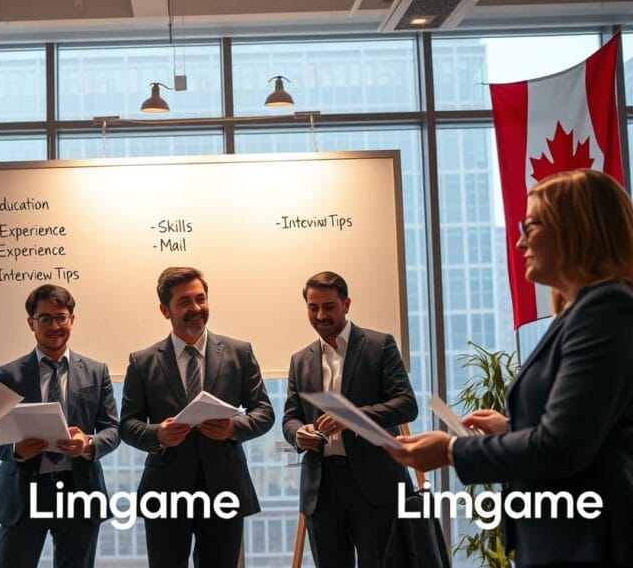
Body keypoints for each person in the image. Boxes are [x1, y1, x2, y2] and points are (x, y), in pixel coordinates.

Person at [387, 169, 633, 568]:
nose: (520, 242)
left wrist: (451, 450)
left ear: (576, 228)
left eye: (530, 226)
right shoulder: (582, 312)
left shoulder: (604, 312)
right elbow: (587, 428)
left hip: (589, 543)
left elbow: (561, 448)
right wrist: (511, 428)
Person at [120, 266, 274, 568]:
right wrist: (157, 434)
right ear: (165, 310)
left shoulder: (239, 352)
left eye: (200, 298)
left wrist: (233, 428)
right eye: (184, 302)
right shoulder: (142, 362)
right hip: (165, 490)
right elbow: (127, 425)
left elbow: (264, 412)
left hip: (225, 486)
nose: (196, 308)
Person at [282, 271, 418, 568]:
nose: (321, 315)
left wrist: (352, 418)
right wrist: (299, 434)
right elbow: (290, 417)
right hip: (322, 488)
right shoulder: (300, 360)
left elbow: (407, 405)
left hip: (374, 484)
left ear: (346, 304)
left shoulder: (379, 345)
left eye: (329, 307)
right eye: (313, 307)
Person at [0, 284, 120, 568]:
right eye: (45, 318)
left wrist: (88, 443)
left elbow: (112, 430)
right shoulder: (8, 374)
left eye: (61, 317)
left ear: (72, 319)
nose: (54, 326)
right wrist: (17, 451)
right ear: (31, 323)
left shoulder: (97, 372)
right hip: (23, 493)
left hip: (79, 491)